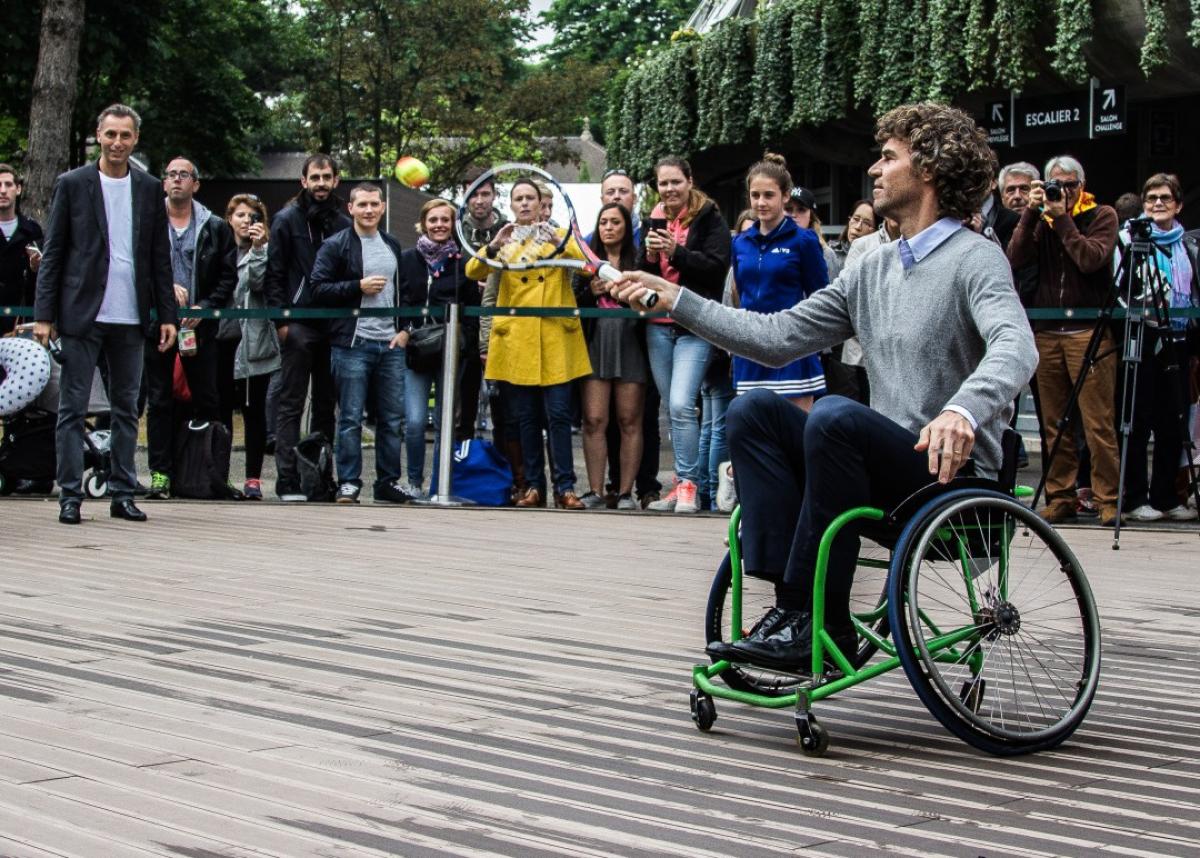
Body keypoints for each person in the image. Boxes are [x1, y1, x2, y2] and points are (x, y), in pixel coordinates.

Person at [611, 102, 1037, 671]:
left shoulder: (976, 259)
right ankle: (792, 608)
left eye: (888, 158)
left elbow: (1017, 346)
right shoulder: (872, 268)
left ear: (930, 168)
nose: (874, 171)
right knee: (754, 410)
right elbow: (778, 335)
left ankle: (820, 617)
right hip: (882, 469)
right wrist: (678, 302)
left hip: (949, 478)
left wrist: (962, 409)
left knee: (834, 413)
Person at [34, 103, 177, 525]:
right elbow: (54, 252)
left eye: (125, 135)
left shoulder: (150, 188)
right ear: (99, 135)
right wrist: (45, 314)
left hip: (131, 316)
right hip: (82, 313)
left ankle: (122, 492)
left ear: (135, 139)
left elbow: (159, 256)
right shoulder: (73, 183)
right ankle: (70, 497)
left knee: (127, 408)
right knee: (72, 408)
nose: (118, 143)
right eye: (111, 134)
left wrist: (166, 312)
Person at [1008, 154, 1121, 526]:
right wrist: (1032, 212)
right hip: (1047, 333)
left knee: (1097, 421)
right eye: (1057, 184)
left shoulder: (1101, 215)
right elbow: (1015, 257)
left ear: (1082, 185)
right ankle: (1060, 495)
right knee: (1053, 422)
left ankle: (1108, 497)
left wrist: (1062, 219)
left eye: (1070, 184)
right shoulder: (1042, 217)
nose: (1064, 191)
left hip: (1088, 331)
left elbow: (1091, 259)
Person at [466, 178, 591, 509]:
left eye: (530, 198)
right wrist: (493, 246)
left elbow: (587, 265)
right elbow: (472, 269)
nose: (524, 204)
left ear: (541, 204)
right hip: (518, 340)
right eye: (518, 199)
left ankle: (566, 487)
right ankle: (534, 487)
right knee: (526, 419)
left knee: (560, 416)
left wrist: (560, 240)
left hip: (554, 339)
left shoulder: (558, 235)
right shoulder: (504, 241)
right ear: (511, 205)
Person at [309, 183, 413, 505]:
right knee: (351, 417)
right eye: (362, 205)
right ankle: (349, 483)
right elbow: (318, 288)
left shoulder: (393, 245)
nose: (369, 210)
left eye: (374, 204)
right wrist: (357, 286)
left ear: (382, 207)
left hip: (390, 344)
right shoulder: (335, 245)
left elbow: (404, 292)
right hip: (351, 342)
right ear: (350, 209)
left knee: (392, 419)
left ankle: (387, 482)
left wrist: (405, 329)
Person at [639, 156, 730, 514]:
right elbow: (641, 270)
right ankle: (682, 485)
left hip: (694, 324)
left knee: (681, 404)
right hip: (657, 326)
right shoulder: (653, 219)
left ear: (689, 181)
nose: (669, 189)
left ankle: (691, 486)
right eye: (663, 184)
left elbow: (715, 269)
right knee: (672, 409)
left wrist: (676, 253)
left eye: (675, 182)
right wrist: (648, 256)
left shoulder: (711, 219)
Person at [143, 156, 237, 500]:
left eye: (185, 175)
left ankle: (204, 472)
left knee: (207, 399)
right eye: (171, 174)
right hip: (158, 325)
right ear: (163, 182)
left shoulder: (214, 226)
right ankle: (160, 474)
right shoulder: (149, 222)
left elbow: (229, 276)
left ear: (196, 184)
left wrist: (207, 306)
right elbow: (136, 269)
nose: (178, 180)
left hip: (200, 328)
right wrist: (163, 289)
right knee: (159, 400)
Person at [264, 154, 350, 501]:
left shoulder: (344, 224)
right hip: (298, 324)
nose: (320, 183)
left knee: (327, 405)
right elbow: (274, 274)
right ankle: (287, 478)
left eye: (326, 177)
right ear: (303, 181)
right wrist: (282, 322)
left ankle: (319, 476)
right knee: (291, 403)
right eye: (314, 177)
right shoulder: (286, 220)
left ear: (336, 180)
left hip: (333, 326)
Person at [1119, 173, 1199, 522]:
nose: (1158, 204)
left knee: (1173, 420)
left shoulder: (1188, 245)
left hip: (1178, 340)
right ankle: (1135, 497)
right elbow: (1120, 289)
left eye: (1165, 198)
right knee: (1136, 421)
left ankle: (1167, 496)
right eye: (1151, 198)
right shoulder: (1129, 239)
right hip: (1142, 338)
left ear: (1178, 204)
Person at [730, 154, 829, 410]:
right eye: (755, 195)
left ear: (785, 196)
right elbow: (740, 294)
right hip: (751, 347)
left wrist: (812, 342)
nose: (761, 202)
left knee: (797, 437)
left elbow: (821, 297)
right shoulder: (740, 243)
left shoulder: (804, 240)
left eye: (768, 195)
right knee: (753, 433)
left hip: (793, 348)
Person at [396, 198, 477, 496]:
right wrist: (403, 330)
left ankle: (439, 483)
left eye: (445, 220)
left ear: (453, 225)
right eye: (433, 220)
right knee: (415, 420)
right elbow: (401, 299)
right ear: (423, 223)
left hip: (451, 348)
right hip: (417, 347)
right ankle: (414, 481)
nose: (439, 225)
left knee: (446, 422)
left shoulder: (465, 262)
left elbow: (472, 306)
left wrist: (465, 341)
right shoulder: (407, 258)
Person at [573, 202, 646, 510]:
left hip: (631, 338)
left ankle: (626, 492)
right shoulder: (586, 261)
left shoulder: (639, 260)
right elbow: (573, 302)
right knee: (594, 419)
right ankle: (594, 489)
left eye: (615, 222)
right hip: (595, 339)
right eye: (603, 222)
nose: (609, 227)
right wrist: (592, 290)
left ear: (626, 227)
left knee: (629, 419)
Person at [218, 193, 279, 500]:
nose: (246, 221)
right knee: (220, 411)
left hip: (254, 343)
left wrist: (258, 249)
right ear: (229, 218)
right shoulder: (218, 249)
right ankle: (219, 475)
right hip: (221, 341)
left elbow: (257, 284)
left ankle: (253, 478)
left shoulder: (266, 251)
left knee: (254, 412)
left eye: (253, 216)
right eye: (240, 215)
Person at [0, 164, 43, 336]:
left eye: (8, 185)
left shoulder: (32, 230)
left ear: (18, 189)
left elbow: (42, 280)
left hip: (22, 319)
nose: (3, 191)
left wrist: (36, 268)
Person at [786, 186, 840, 280]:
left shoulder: (826, 254)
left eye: (801, 210)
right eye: (788, 209)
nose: (794, 215)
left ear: (811, 216)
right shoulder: (769, 248)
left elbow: (831, 293)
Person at [829, 200, 876, 269]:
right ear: (849, 220)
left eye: (866, 223)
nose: (858, 227)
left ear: (875, 231)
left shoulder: (876, 259)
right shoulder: (831, 251)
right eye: (856, 219)